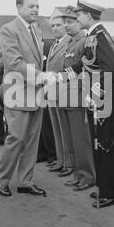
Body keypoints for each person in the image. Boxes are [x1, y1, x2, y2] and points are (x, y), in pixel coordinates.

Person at [59, 0, 114, 208]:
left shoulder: (100, 36)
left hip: (102, 100)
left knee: (105, 146)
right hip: (96, 100)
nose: (77, 18)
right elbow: (82, 64)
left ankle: (111, 193)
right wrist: (60, 77)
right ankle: (105, 187)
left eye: (79, 15)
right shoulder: (92, 37)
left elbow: (109, 67)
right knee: (99, 145)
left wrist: (95, 93)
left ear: (88, 15)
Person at [0, 0, 56, 197]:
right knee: (17, 138)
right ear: (19, 7)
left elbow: (38, 59)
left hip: (35, 92)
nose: (36, 10)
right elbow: (14, 62)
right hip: (18, 91)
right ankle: (1, 178)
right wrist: (42, 76)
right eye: (31, 6)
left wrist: (42, 79)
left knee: (31, 140)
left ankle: (25, 181)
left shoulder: (36, 30)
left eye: (37, 6)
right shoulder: (9, 30)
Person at [59, 6, 96, 190]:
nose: (66, 25)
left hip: (78, 96)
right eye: (64, 22)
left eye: (70, 21)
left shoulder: (85, 41)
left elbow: (84, 69)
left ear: (79, 22)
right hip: (66, 96)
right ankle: (77, 173)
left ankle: (87, 175)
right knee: (71, 138)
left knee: (81, 139)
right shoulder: (70, 42)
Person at [46, 15, 72, 174]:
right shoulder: (53, 45)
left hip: (63, 90)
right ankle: (61, 160)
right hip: (51, 91)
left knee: (65, 129)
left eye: (58, 25)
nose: (55, 28)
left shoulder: (69, 42)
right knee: (56, 128)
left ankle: (69, 163)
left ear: (65, 26)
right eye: (53, 25)